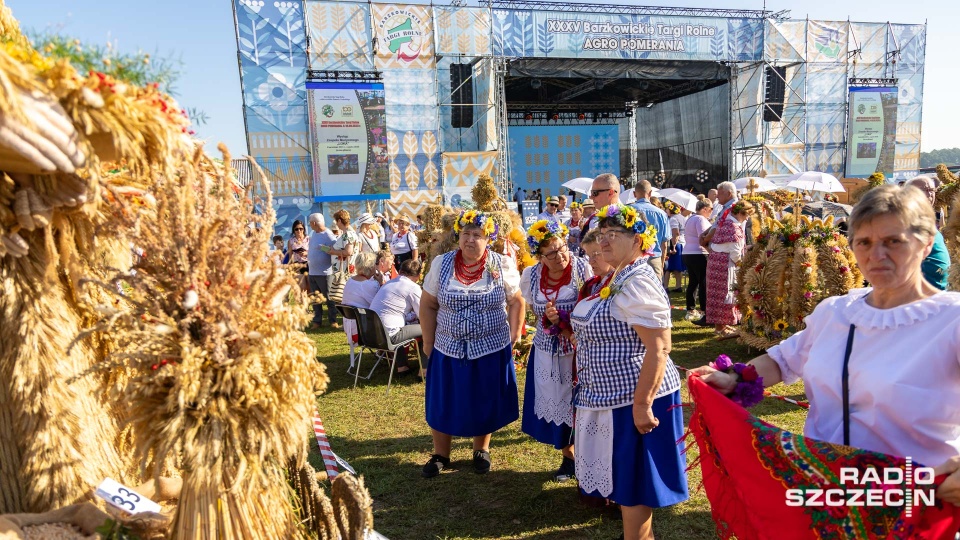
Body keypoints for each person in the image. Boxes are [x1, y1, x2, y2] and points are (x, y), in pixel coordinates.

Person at [692, 184, 960, 510]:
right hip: (826, 490)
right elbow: (783, 360)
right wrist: (734, 378)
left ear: (927, 242)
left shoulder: (951, 319)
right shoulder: (836, 311)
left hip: (915, 500)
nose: (876, 255)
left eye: (893, 241)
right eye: (864, 242)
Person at [570, 202, 688, 540]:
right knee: (623, 477)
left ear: (637, 240)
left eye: (613, 235)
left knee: (634, 481)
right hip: (607, 396)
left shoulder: (636, 280)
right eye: (602, 235)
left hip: (631, 397)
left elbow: (660, 346)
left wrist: (642, 404)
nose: (603, 242)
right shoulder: (617, 276)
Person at [419, 210, 524, 478]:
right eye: (465, 233)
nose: (470, 239)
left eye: (477, 234)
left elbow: (516, 301)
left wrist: (514, 337)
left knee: (483, 397)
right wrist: (429, 343)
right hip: (447, 346)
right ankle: (441, 453)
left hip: (489, 346)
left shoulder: (502, 264)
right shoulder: (442, 263)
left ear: (488, 238)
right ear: (458, 236)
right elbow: (428, 304)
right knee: (443, 400)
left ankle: (481, 450)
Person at [520, 219, 591, 481]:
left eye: (562, 248)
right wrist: (547, 319)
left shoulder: (582, 268)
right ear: (539, 257)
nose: (560, 255)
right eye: (551, 253)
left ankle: (588, 454)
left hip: (577, 350)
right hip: (546, 352)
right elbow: (532, 309)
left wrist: (564, 319)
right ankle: (568, 456)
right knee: (558, 403)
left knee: (581, 402)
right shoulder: (532, 275)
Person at [705, 200, 754, 340]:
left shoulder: (725, 222)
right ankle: (720, 328)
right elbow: (735, 253)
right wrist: (742, 266)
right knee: (723, 294)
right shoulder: (733, 227)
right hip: (724, 265)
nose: (747, 218)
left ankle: (722, 326)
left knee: (719, 294)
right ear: (739, 213)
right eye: (746, 215)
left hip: (717, 262)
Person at [370, 259, 423, 377]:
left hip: (370, 335)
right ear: (418, 276)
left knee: (396, 326)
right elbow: (423, 316)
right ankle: (424, 370)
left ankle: (402, 366)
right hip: (389, 336)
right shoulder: (413, 287)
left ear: (400, 271)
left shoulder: (389, 283)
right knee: (427, 329)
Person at [905, 177, 951, 290]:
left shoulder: (929, 220)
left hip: (940, 296)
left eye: (931, 189)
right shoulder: (906, 221)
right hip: (919, 297)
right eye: (923, 189)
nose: (929, 193)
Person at [341, 252, 381, 368]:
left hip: (351, 328)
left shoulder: (350, 281)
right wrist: (381, 283)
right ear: (371, 267)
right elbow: (380, 305)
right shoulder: (370, 285)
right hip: (363, 331)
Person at [630, 180, 670, 280]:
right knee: (655, 293)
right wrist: (661, 263)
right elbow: (664, 243)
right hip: (654, 258)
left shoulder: (628, 211)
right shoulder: (661, 214)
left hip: (633, 259)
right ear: (650, 193)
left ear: (634, 194)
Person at [683, 197, 712, 323]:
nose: (711, 211)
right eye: (710, 209)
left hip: (688, 252)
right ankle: (705, 310)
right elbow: (704, 237)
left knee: (693, 282)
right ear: (705, 209)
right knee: (703, 282)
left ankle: (690, 309)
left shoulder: (691, 218)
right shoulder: (701, 219)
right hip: (699, 253)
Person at [307, 214, 338, 329]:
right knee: (315, 299)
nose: (310, 225)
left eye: (310, 222)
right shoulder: (314, 234)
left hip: (325, 273)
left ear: (314, 223)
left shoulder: (328, 235)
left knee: (329, 298)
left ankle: (333, 321)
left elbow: (336, 251)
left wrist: (325, 249)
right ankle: (317, 321)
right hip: (313, 272)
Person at [578, 228, 614, 298]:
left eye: (595, 254)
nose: (590, 262)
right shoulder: (588, 286)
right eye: (588, 256)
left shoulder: (620, 283)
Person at [663, 201, 688, 293]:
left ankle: (666, 286)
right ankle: (678, 286)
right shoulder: (683, 218)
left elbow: (676, 233)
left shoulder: (673, 219)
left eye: (667, 208)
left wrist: (673, 246)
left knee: (669, 267)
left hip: (676, 244)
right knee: (678, 268)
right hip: (683, 243)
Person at [328, 209, 360, 277]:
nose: (336, 224)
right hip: (347, 271)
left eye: (336, 221)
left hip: (345, 273)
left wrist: (333, 252)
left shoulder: (348, 234)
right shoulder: (351, 233)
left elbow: (348, 252)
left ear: (339, 221)